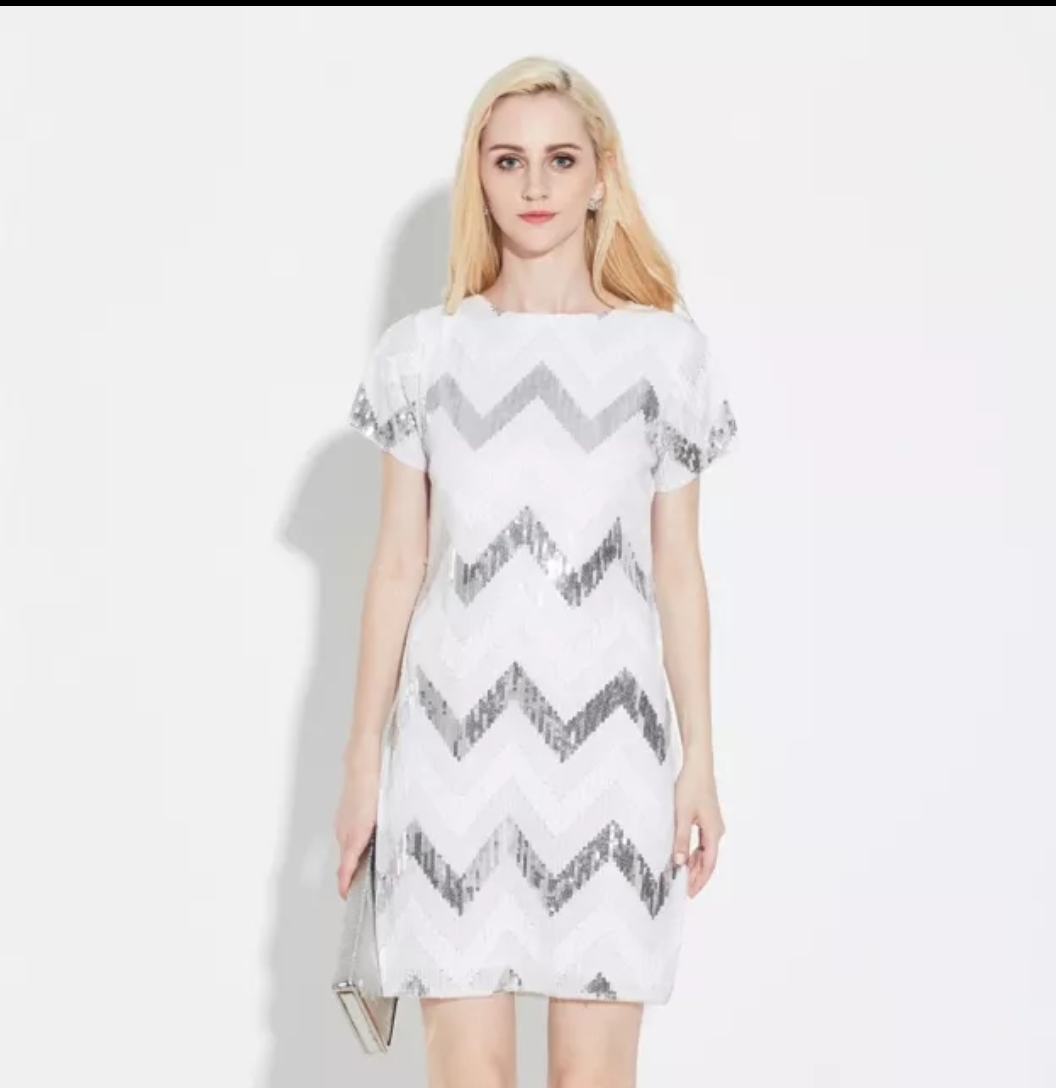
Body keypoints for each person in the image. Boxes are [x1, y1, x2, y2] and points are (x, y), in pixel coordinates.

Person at [333, 55, 739, 1088]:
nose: (535, 184)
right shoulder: (422, 354)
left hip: (613, 758)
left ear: (602, 175)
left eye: (561, 159)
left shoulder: (665, 357)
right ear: (478, 175)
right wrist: (361, 765)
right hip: (449, 758)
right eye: (508, 160)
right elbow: (396, 565)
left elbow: (679, 571)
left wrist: (698, 757)